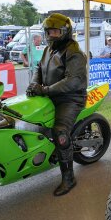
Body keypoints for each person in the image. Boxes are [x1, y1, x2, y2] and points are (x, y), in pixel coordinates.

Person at [26, 13, 87, 197]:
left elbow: (72, 82)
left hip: (70, 98)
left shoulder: (74, 52)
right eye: (49, 32)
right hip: (51, 93)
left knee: (60, 131)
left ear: (65, 32)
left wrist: (44, 90)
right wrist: (34, 84)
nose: (52, 35)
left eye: (55, 32)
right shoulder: (49, 49)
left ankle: (69, 178)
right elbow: (39, 68)